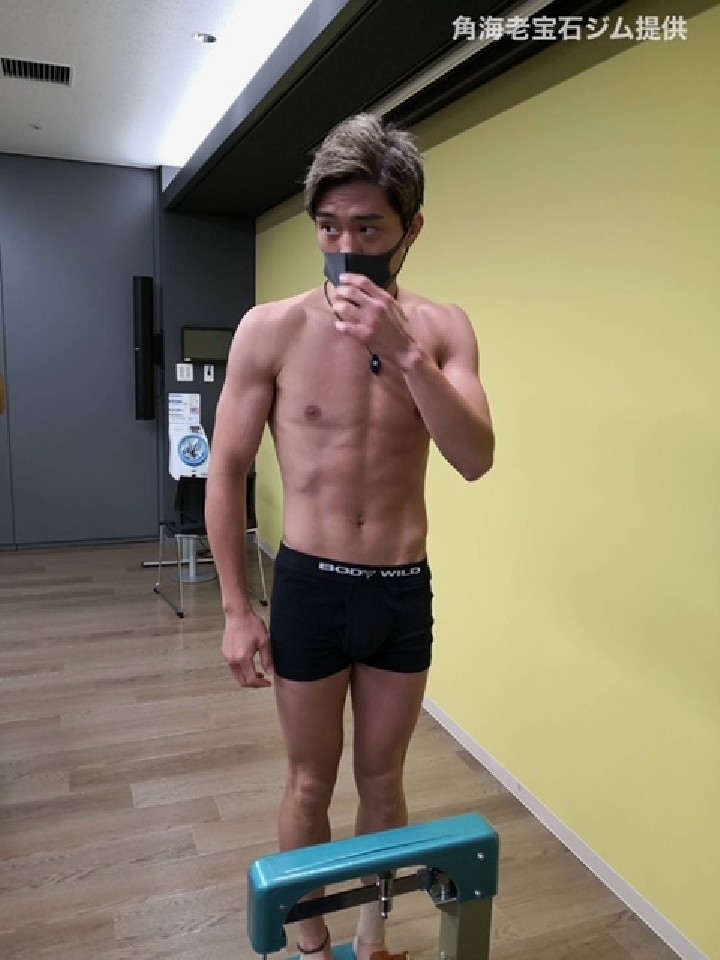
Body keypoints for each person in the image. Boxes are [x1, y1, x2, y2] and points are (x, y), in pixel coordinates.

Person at [205, 113, 494, 960]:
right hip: (311, 585)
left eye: (368, 228)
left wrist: (405, 355)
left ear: (411, 230)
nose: (345, 248)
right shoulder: (271, 329)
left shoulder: (443, 329)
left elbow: (474, 457)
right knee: (308, 781)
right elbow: (225, 471)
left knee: (382, 780)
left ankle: (371, 941)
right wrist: (236, 609)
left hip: (400, 589)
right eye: (329, 228)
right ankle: (307, 943)